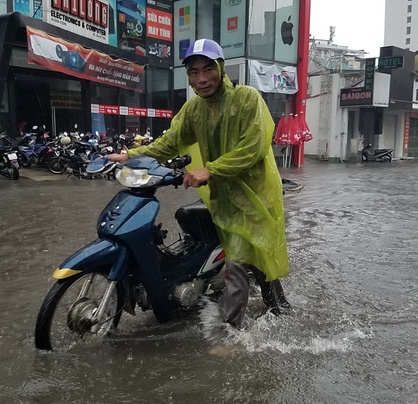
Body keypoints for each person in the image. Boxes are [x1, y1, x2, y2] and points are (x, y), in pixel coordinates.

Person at [108, 39, 290, 328]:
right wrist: (130, 155)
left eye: (208, 69)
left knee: (241, 259)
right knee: (251, 255)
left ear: (220, 68)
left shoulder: (247, 98)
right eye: (194, 72)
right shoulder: (194, 110)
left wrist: (211, 170)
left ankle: (230, 333)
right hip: (223, 194)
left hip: (256, 193)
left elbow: (253, 147)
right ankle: (281, 308)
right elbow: (170, 142)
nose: (202, 79)